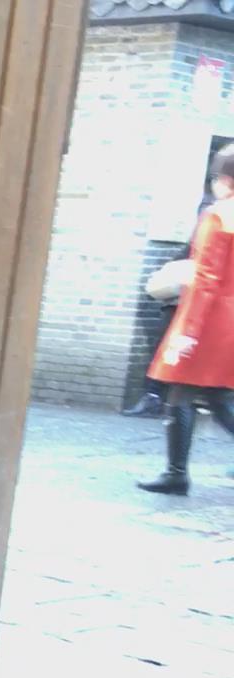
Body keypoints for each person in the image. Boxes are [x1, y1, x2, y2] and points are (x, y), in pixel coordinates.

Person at [139, 144, 234, 495]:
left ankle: (176, 474)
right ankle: (175, 473)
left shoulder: (219, 216)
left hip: (210, 321)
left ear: (224, 179)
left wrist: (188, 331)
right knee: (219, 396)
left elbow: (205, 278)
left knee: (180, 391)